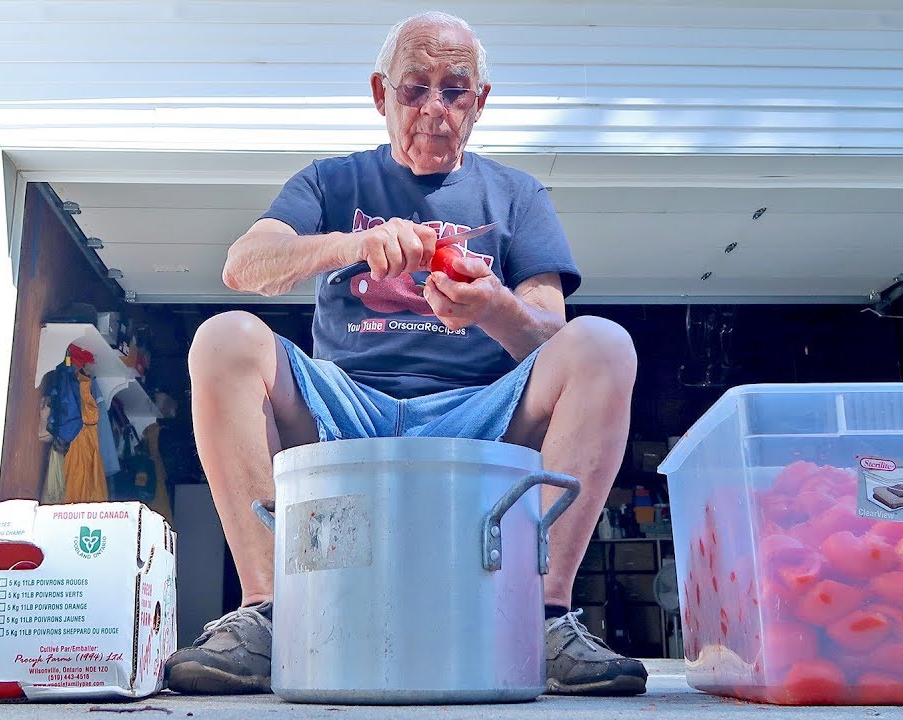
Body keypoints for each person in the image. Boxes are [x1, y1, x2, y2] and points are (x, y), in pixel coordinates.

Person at [165, 10, 645, 697]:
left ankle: (543, 618)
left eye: (455, 91)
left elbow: (556, 337)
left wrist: (493, 306)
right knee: (224, 338)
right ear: (379, 95)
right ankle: (268, 613)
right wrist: (350, 244)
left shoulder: (517, 195)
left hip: (480, 418)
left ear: (479, 102)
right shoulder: (331, 183)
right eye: (414, 89)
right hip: (342, 410)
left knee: (606, 343)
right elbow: (244, 266)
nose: (434, 110)